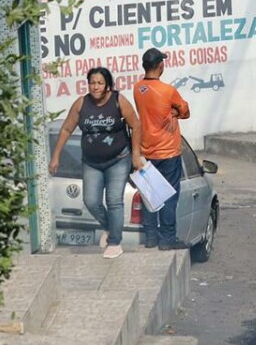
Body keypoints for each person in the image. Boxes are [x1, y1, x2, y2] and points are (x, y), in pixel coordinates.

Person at [49, 66, 145, 259]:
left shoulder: (119, 101)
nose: (96, 87)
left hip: (118, 159)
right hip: (91, 162)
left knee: (114, 200)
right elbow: (67, 129)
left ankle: (115, 242)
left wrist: (136, 155)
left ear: (108, 85)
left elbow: (136, 125)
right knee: (91, 201)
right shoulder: (81, 104)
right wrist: (56, 156)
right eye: (92, 83)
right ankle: (109, 227)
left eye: (100, 83)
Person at [133, 48, 191, 250]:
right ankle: (167, 239)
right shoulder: (168, 91)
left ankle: (150, 238)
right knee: (169, 197)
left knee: (151, 196)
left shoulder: (137, 88)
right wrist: (174, 111)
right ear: (160, 65)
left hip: (147, 151)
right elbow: (185, 111)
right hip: (168, 152)